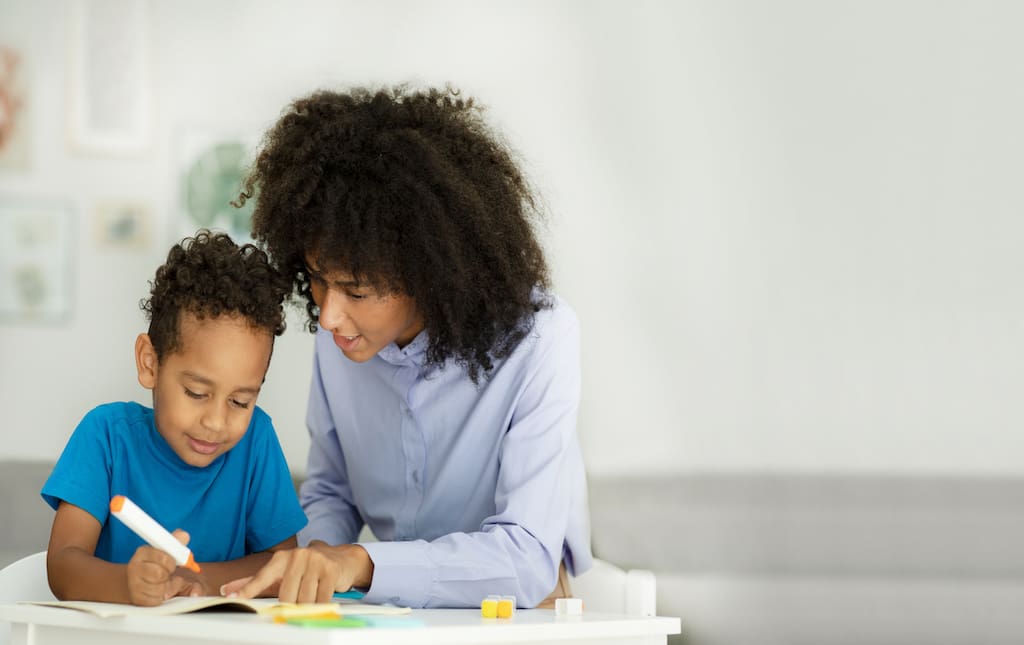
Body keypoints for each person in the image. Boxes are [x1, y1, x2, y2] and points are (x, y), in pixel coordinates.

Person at [223, 85, 593, 609]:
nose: (327, 315)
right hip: (393, 614)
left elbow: (527, 558)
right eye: (317, 280)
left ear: (430, 273)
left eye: (357, 290)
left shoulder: (539, 340)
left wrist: (359, 564)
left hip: (519, 611)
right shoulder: (342, 338)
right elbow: (332, 492)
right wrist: (318, 557)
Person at [41, 230, 307, 606]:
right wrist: (129, 585)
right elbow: (63, 566)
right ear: (150, 363)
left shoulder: (257, 442)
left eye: (240, 401)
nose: (216, 421)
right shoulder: (105, 437)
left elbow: (282, 565)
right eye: (197, 393)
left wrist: (187, 580)